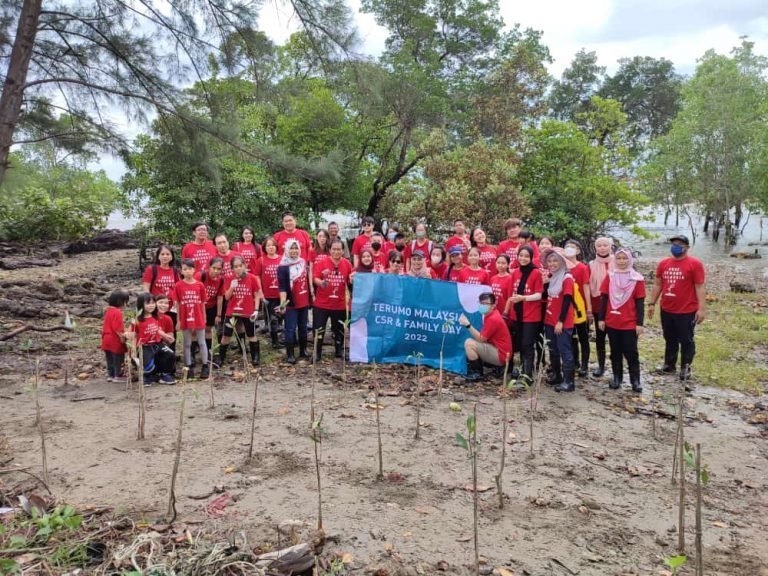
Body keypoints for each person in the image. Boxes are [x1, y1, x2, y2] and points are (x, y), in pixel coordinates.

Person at [647, 234, 706, 382]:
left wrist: (702, 309)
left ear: (686, 247)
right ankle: (669, 364)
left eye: (680, 244)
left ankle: (685, 367)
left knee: (686, 340)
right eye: (674, 243)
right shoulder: (664, 263)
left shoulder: (694, 264)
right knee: (669, 337)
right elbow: (658, 284)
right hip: (667, 308)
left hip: (686, 310)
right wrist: (651, 303)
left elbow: (699, 286)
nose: (676, 246)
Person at [597, 248, 645, 392]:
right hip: (612, 321)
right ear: (615, 260)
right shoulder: (610, 276)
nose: (622, 261)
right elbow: (604, 298)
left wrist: (639, 323)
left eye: (625, 258)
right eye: (619, 258)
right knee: (615, 351)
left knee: (631, 352)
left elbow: (640, 302)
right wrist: (601, 319)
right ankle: (617, 377)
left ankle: (635, 380)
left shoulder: (637, 278)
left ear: (629, 260)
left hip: (629, 322)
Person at [313, 239, 352, 361]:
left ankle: (338, 350)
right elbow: (315, 278)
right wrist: (321, 282)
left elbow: (350, 281)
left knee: (338, 329)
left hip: (339, 304)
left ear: (343, 251)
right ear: (329, 250)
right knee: (319, 329)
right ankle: (317, 352)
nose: (336, 252)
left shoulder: (347, 264)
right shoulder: (322, 262)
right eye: (334, 249)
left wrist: (352, 280)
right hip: (322, 303)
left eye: (339, 249)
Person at [458, 292, 513, 382]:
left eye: (486, 304)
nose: (482, 306)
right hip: (501, 352)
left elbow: (481, 339)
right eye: (481, 303)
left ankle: (476, 374)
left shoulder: (493, 318)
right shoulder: (491, 314)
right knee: (472, 342)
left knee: (469, 343)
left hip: (501, 355)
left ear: (493, 305)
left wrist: (468, 325)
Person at [218, 256, 262, 367]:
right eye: (235, 267)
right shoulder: (228, 278)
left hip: (248, 311)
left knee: (251, 334)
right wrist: (232, 287)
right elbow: (227, 297)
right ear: (232, 268)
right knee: (226, 335)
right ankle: (220, 358)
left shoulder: (252, 278)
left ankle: (255, 358)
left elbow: (257, 294)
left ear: (245, 266)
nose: (238, 268)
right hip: (232, 311)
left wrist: (256, 310)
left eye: (240, 266)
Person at [509, 246, 543, 380]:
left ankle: (527, 375)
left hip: (531, 315)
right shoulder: (515, 272)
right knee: (519, 343)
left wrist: (524, 298)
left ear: (531, 258)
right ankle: (522, 369)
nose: (523, 258)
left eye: (526, 256)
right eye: (521, 255)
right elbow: (513, 292)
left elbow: (539, 295)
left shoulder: (536, 273)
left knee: (528, 344)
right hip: (517, 314)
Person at [543, 250, 576, 392]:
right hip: (549, 319)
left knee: (564, 350)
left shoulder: (566, 277)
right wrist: (545, 284)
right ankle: (557, 376)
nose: (552, 264)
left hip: (561, 321)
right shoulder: (552, 277)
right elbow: (547, 296)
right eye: (549, 261)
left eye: (555, 261)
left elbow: (567, 300)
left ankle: (569, 382)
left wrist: (561, 321)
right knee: (553, 349)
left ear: (562, 262)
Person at [129, 293, 176, 385]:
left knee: (170, 354)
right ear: (141, 304)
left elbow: (157, 329)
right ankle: (147, 376)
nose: (151, 306)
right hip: (145, 345)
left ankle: (164, 375)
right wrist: (133, 348)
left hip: (157, 343)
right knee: (148, 365)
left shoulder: (155, 317)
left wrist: (165, 336)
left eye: (153, 303)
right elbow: (133, 334)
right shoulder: (136, 319)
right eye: (148, 303)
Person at [173, 259, 209, 379]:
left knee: (202, 341)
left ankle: (205, 365)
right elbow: (177, 304)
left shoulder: (200, 285)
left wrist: (204, 317)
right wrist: (178, 320)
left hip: (198, 316)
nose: (188, 271)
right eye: (185, 269)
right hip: (185, 317)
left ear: (194, 270)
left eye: (190, 269)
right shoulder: (178, 285)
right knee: (187, 343)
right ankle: (188, 366)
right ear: (181, 271)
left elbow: (203, 302)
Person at [278, 239, 311, 364]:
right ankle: (290, 354)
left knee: (303, 327)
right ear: (286, 250)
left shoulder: (302, 262)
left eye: (296, 248)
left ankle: (303, 350)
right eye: (291, 248)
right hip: (291, 302)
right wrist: (282, 304)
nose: (294, 251)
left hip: (304, 300)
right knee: (290, 329)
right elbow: (282, 288)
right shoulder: (282, 267)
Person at [563, 239, 592, 377]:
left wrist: (589, 308)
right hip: (566, 308)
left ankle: (585, 364)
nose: (569, 249)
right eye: (567, 247)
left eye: (572, 247)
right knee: (570, 337)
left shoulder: (583, 268)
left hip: (580, 308)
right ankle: (575, 361)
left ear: (578, 251)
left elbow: (586, 288)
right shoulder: (562, 267)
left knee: (583, 337)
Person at [588, 237, 615, 377]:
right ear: (595, 247)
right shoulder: (591, 264)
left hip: (615, 303)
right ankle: (601, 365)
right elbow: (589, 286)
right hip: (598, 302)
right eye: (599, 245)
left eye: (605, 245)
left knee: (615, 336)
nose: (602, 248)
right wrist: (590, 309)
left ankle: (616, 365)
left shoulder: (618, 262)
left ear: (610, 247)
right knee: (600, 336)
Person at [252, 236, 282, 348]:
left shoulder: (282, 259)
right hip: (268, 295)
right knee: (272, 319)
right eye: (268, 245)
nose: (271, 247)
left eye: (273, 245)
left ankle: (282, 337)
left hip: (281, 294)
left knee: (281, 317)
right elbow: (257, 277)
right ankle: (274, 342)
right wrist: (260, 293)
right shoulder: (261, 260)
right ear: (264, 247)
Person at [195, 256, 224, 370]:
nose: (215, 271)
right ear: (209, 267)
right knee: (195, 330)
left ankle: (207, 353)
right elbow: (193, 290)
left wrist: (218, 314)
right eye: (213, 268)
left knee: (208, 329)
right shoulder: (201, 276)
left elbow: (220, 297)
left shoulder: (221, 280)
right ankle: (192, 354)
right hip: (198, 305)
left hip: (211, 306)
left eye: (218, 269)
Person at [101, 289, 129, 382]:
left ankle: (111, 374)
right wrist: (122, 337)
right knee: (118, 357)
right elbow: (117, 327)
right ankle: (118, 375)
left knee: (109, 357)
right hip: (114, 338)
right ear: (122, 302)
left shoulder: (108, 311)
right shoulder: (117, 312)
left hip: (106, 337)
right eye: (126, 302)